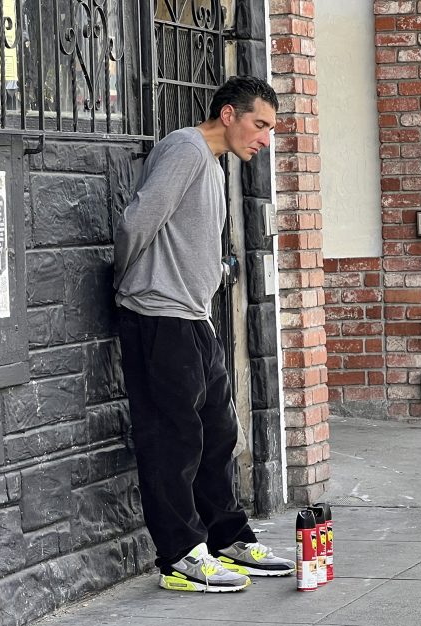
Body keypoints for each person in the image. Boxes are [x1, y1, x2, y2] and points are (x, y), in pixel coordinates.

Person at [113, 76, 295, 593]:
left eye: (271, 129)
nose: (264, 138)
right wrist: (130, 282)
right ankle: (179, 556)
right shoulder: (188, 149)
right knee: (173, 441)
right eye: (260, 124)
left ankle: (226, 537)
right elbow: (137, 221)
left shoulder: (212, 164)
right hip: (158, 315)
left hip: (194, 318)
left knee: (217, 434)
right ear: (228, 114)